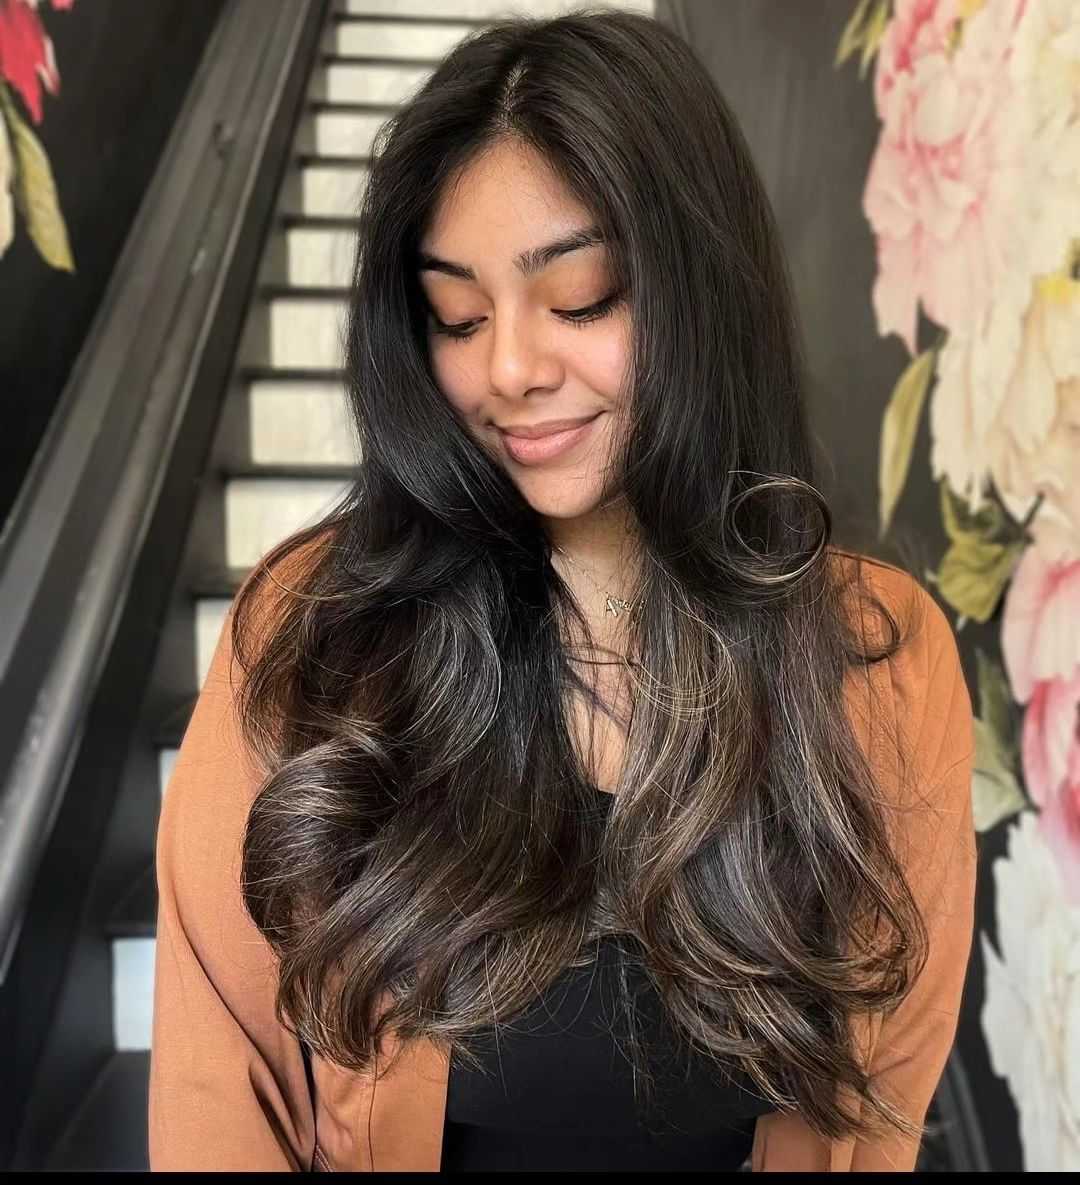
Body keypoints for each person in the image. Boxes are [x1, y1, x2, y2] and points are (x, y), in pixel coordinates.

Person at [148, 8, 976, 1172]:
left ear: (701, 288)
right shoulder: (316, 636)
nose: (510, 368)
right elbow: (215, 1090)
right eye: (458, 315)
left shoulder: (880, 662)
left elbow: (886, 1087)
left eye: (581, 294)